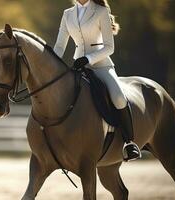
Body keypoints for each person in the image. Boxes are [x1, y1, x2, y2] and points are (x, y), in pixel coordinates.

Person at [53, 0, 141, 161]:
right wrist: (51, 65)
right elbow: (59, 46)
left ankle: (129, 142)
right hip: (78, 65)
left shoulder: (100, 11)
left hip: (101, 64)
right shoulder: (67, 14)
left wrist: (88, 58)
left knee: (119, 97)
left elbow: (109, 47)